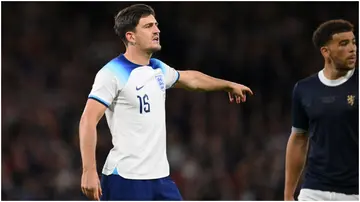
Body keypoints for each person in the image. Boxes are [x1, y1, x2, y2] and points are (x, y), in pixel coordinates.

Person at [79, 4, 253, 201]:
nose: (157, 30)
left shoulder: (157, 68)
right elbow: (88, 120)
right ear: (131, 36)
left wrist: (227, 85)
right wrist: (88, 170)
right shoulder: (111, 73)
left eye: (156, 25)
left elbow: (191, 79)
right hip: (126, 178)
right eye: (148, 26)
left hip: (160, 178)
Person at [284, 19, 358, 201]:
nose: (353, 48)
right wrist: (288, 194)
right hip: (314, 192)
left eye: (354, 42)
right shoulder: (304, 89)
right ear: (326, 52)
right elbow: (299, 139)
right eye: (344, 43)